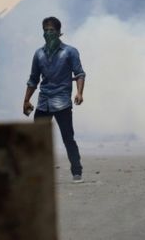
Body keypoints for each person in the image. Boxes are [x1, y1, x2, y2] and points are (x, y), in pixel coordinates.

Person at [23, 17, 86, 183]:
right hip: (44, 101)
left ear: (59, 32)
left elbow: (79, 74)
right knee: (38, 138)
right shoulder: (38, 54)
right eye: (46, 30)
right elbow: (33, 79)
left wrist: (79, 93)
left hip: (62, 101)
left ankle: (76, 170)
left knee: (67, 137)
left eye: (52, 30)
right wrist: (26, 100)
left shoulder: (70, 52)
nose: (48, 33)